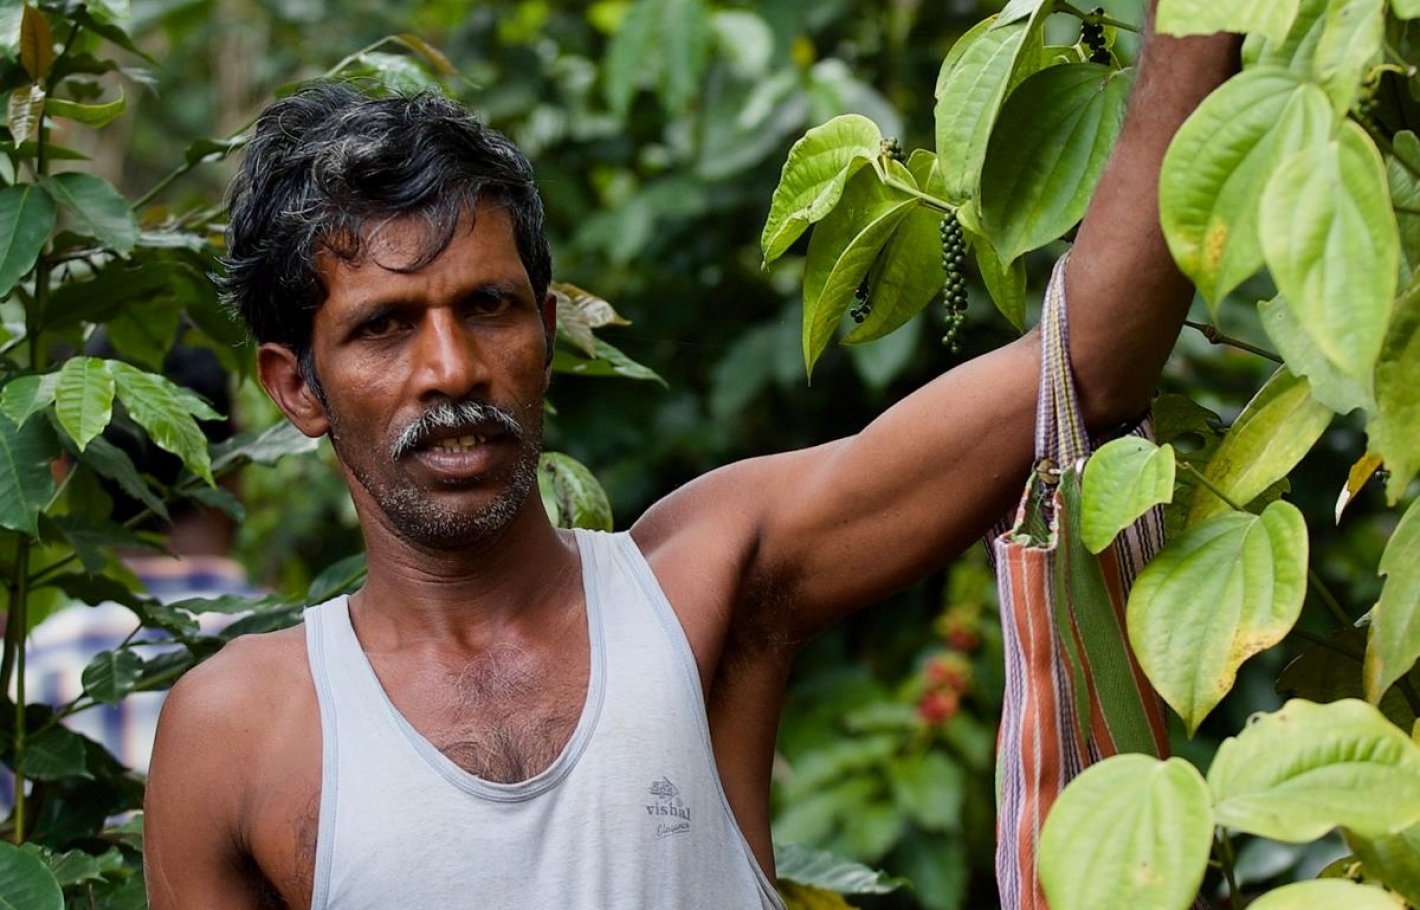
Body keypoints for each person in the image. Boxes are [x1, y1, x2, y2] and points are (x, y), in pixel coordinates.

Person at [143, 7, 1240, 908]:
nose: (452, 369)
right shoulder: (238, 733)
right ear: (296, 385)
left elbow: (1084, 363)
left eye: (488, 306)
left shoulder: (703, 585)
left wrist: (1197, 23)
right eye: (385, 326)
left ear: (544, 333)